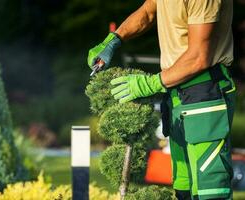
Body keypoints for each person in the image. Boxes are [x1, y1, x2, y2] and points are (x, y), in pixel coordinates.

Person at [87, 0, 236, 199]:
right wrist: (115, 38)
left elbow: (200, 57)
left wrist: (149, 84)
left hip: (205, 92)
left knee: (209, 188)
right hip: (175, 92)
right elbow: (148, 12)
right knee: (183, 185)